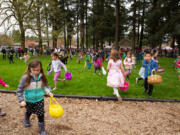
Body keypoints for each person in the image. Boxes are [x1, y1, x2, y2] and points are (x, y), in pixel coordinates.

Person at [17, 60, 53, 135]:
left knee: (41, 115)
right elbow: (19, 90)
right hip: (29, 100)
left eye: (38, 70)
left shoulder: (42, 76)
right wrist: (21, 100)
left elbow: (46, 86)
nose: (36, 72)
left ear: (41, 68)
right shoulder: (25, 78)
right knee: (29, 112)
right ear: (30, 68)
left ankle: (42, 130)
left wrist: (49, 92)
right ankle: (27, 119)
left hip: (39, 100)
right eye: (34, 70)